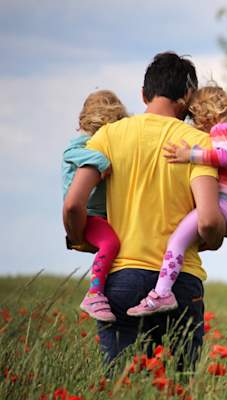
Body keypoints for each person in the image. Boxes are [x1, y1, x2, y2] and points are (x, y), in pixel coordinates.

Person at [63, 52, 225, 368]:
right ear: (188, 98)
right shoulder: (198, 143)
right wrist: (215, 237)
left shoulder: (108, 136)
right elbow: (207, 221)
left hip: (120, 279)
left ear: (143, 94)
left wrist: (80, 237)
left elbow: (72, 204)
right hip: (180, 283)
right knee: (177, 387)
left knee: (123, 386)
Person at [127, 84, 227, 316]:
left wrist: (188, 155)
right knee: (189, 239)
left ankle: (162, 293)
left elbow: (223, 157)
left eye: (196, 118)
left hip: (224, 207)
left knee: (176, 241)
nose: (196, 126)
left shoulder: (222, 130)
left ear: (208, 114)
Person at [62, 90, 127, 322]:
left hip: (101, 214)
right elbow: (72, 154)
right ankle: (94, 293)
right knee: (110, 243)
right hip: (88, 215)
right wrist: (102, 161)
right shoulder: (82, 145)